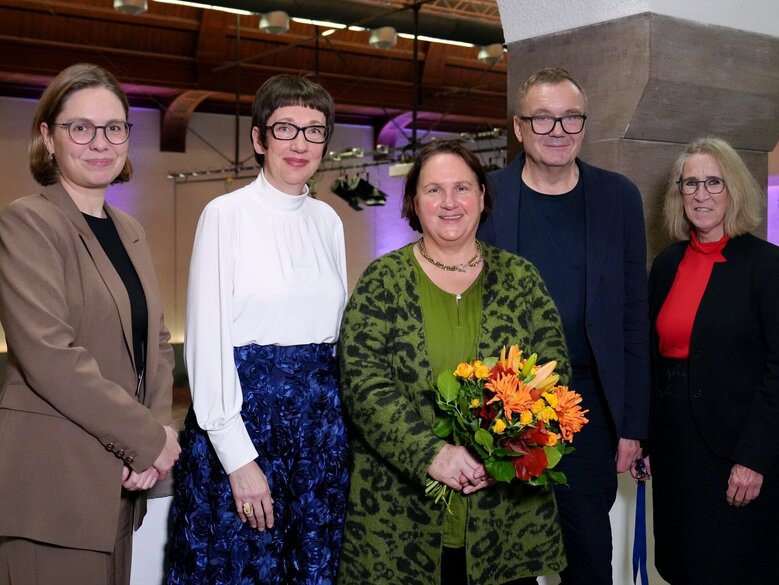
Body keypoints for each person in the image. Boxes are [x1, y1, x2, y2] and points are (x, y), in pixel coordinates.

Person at [338, 140, 568, 585]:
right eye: (433, 190)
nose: (449, 203)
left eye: (462, 188)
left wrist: (498, 454)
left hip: (506, 518)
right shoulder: (382, 281)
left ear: (483, 197)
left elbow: (554, 376)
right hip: (398, 521)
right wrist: (431, 454)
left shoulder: (521, 279)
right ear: (413, 202)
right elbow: (363, 384)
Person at [0, 63, 180, 585]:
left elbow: (159, 346)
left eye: (114, 127)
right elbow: (50, 355)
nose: (99, 142)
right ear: (48, 138)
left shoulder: (130, 230)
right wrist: (148, 440)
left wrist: (157, 435)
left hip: (120, 485)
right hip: (52, 492)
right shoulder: (28, 221)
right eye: (80, 127)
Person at [166, 74, 349, 585]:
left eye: (315, 131)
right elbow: (206, 344)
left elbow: (335, 336)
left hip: (318, 437)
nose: (300, 143)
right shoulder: (225, 215)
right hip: (247, 430)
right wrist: (238, 459)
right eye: (286, 128)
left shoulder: (328, 221)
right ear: (258, 139)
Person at [478, 66, 650, 584]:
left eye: (571, 117)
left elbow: (633, 317)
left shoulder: (618, 196)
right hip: (503, 398)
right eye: (544, 119)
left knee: (588, 554)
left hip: (589, 403)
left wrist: (634, 427)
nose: (559, 131)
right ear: (519, 126)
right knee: (508, 555)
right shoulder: (486, 196)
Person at [647, 137, 779, 584]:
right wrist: (643, 437)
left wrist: (754, 458)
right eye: (690, 184)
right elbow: (651, 358)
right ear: (678, 194)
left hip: (736, 455)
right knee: (681, 565)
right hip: (676, 454)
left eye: (713, 183)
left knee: (732, 568)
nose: (701, 194)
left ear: (734, 190)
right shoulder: (665, 265)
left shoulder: (766, 266)